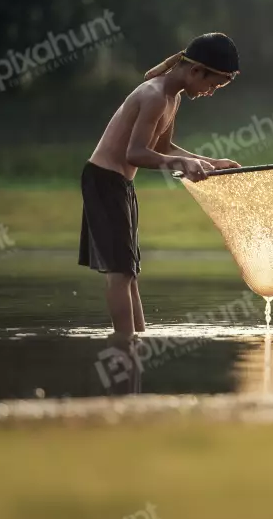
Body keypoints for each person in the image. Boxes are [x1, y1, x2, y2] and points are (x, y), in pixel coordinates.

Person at [79, 33, 242, 339]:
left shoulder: (172, 98)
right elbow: (135, 153)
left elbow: (164, 148)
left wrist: (210, 161)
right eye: (212, 84)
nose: (210, 92)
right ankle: (125, 344)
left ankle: (137, 339)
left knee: (130, 272)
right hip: (103, 180)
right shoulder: (154, 95)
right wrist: (182, 166)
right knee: (120, 272)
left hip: (120, 183)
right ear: (196, 71)